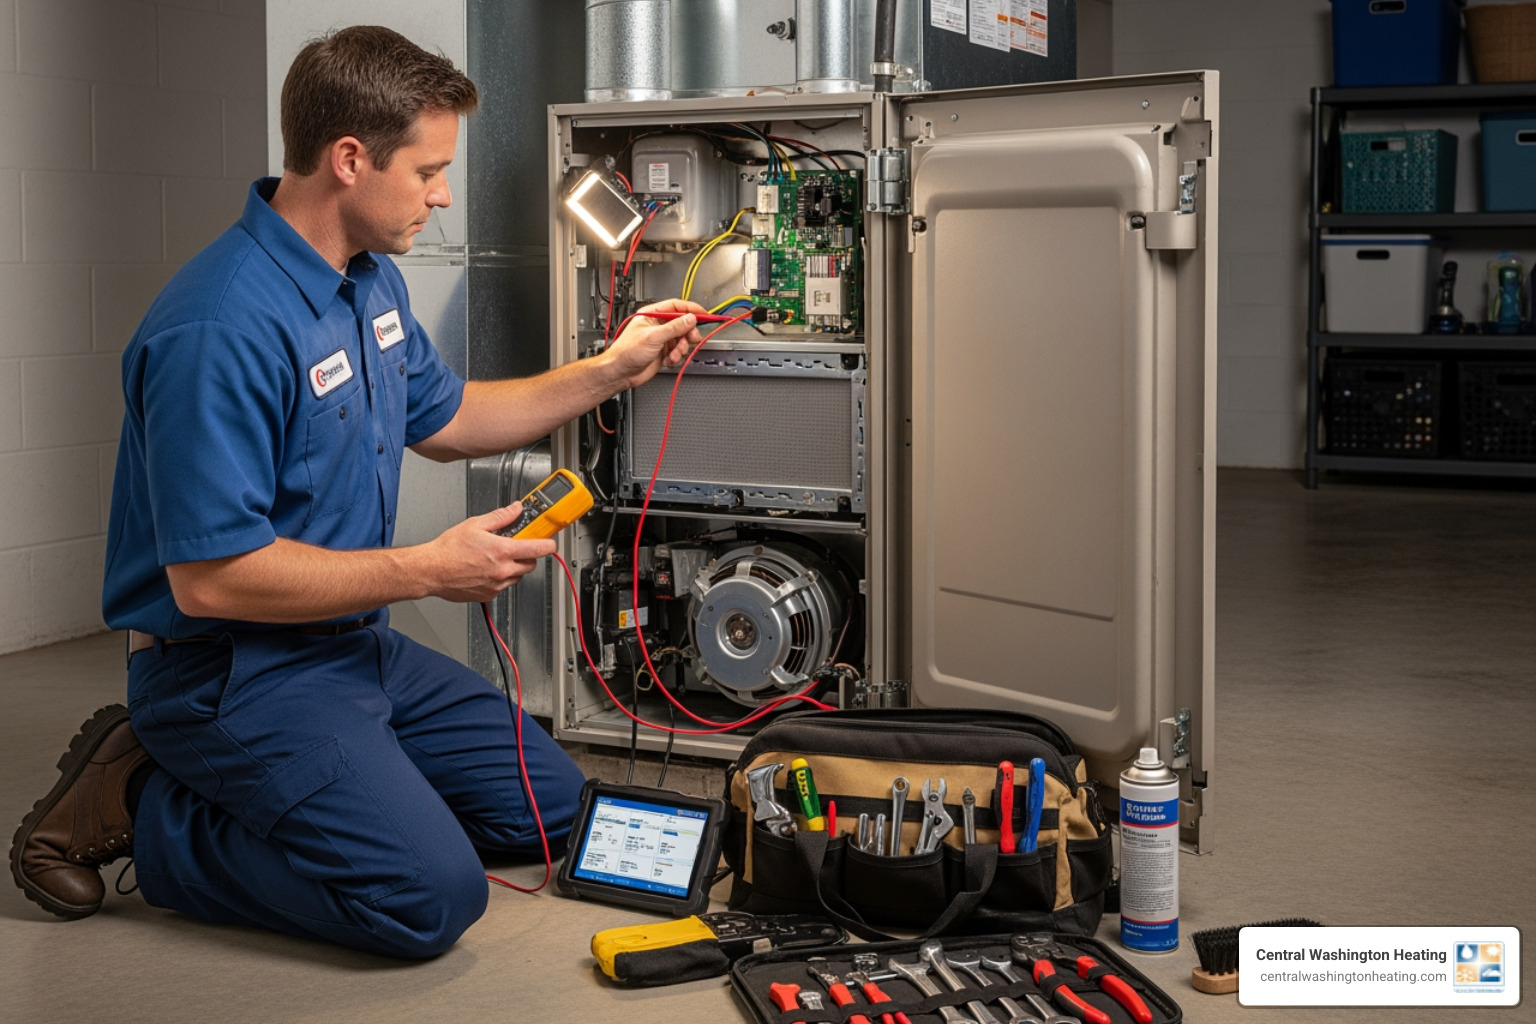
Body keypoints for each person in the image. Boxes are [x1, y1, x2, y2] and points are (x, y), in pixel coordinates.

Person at [7, 25, 705, 959]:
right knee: (426, 898)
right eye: (427, 171)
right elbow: (211, 582)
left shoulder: (367, 284)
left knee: (558, 820)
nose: (442, 193)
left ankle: (344, 785)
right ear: (348, 160)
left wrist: (615, 368)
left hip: (355, 646)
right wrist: (426, 570)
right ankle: (149, 804)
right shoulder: (218, 328)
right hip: (228, 672)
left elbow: (450, 419)